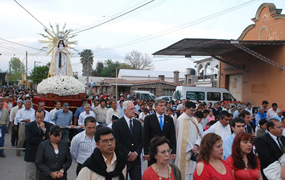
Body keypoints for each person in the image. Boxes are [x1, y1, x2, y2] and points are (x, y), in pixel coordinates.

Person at [112, 101, 144, 179]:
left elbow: (142, 140)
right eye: (131, 109)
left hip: (136, 160)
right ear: (125, 110)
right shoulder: (117, 124)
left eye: (134, 108)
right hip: (123, 159)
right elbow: (116, 141)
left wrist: (136, 153)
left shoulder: (138, 123)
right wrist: (128, 153)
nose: (134, 111)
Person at [144, 99, 176, 166]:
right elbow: (145, 136)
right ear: (155, 107)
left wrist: (173, 151)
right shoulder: (149, 119)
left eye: (164, 105)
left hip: (165, 151)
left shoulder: (169, 119)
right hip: (153, 150)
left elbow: (172, 136)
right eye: (161, 105)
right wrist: (146, 152)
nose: (163, 107)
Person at [175, 101, 201, 180]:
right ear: (186, 108)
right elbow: (180, 138)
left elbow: (199, 135)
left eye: (195, 110)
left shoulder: (194, 120)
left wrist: (196, 145)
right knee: (184, 173)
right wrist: (191, 147)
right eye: (192, 110)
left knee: (193, 172)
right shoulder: (180, 120)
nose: (193, 112)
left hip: (194, 151)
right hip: (185, 151)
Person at [25, 109, 53, 180]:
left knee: (42, 176)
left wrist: (44, 130)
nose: (39, 119)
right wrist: (42, 139)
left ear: (44, 117)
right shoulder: (28, 126)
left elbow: (51, 139)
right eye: (37, 117)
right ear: (35, 116)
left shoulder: (49, 125)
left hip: (44, 156)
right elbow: (29, 140)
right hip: (32, 154)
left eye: (41, 117)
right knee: (31, 176)